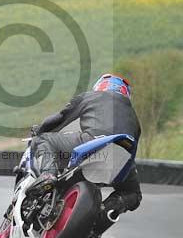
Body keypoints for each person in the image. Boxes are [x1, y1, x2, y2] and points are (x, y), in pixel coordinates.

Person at [28, 73, 142, 222]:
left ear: (100, 86)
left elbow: (61, 118)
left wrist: (41, 130)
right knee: (133, 193)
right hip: (123, 158)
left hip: (94, 141)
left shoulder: (90, 96)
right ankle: (101, 217)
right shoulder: (133, 116)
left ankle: (48, 174)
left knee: (43, 139)